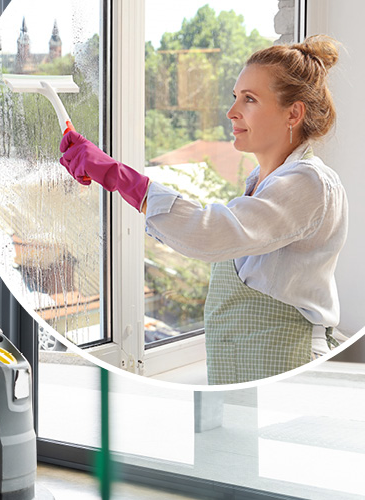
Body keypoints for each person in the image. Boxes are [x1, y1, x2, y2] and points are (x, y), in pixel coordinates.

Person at [58, 35, 348, 385]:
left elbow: (209, 233)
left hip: (290, 368)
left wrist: (119, 177)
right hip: (243, 368)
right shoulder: (262, 181)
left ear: (294, 113)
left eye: (250, 99)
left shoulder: (308, 183)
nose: (232, 112)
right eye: (235, 97)